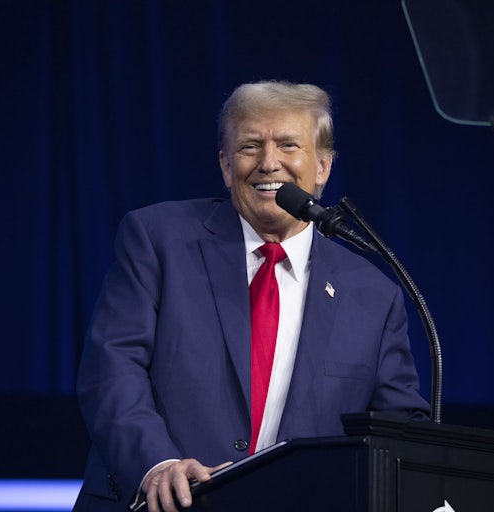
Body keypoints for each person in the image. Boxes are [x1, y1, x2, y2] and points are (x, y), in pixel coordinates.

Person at [73, 80, 430, 512]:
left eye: (287, 145)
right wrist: (157, 464)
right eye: (249, 147)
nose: (268, 163)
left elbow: (396, 436)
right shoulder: (158, 239)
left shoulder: (374, 295)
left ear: (322, 167)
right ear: (226, 166)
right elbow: (112, 366)